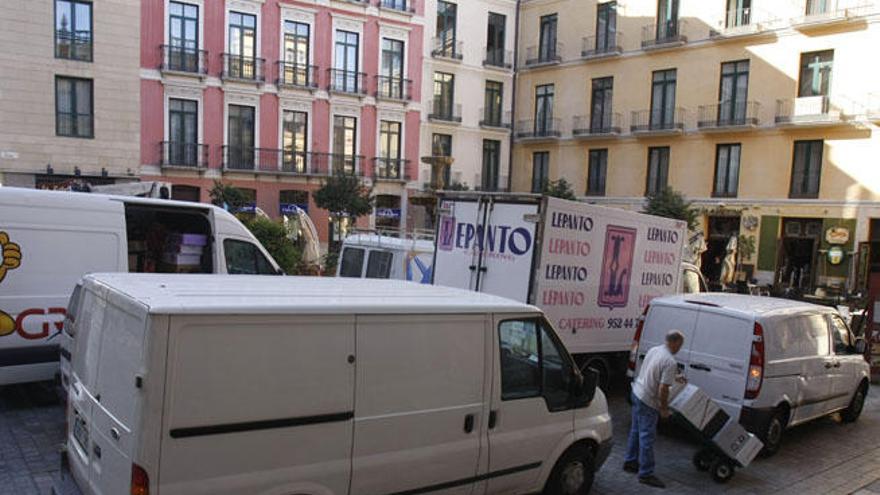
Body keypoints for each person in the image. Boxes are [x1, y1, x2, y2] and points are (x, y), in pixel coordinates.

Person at [623, 329, 685, 489]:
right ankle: (646, 473)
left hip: (637, 392)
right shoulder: (670, 361)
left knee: (636, 430)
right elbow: (663, 388)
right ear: (675, 342)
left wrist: (674, 377)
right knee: (647, 437)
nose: (680, 348)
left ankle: (630, 462)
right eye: (680, 345)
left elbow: (653, 371)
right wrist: (664, 408)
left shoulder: (655, 350)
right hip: (648, 400)